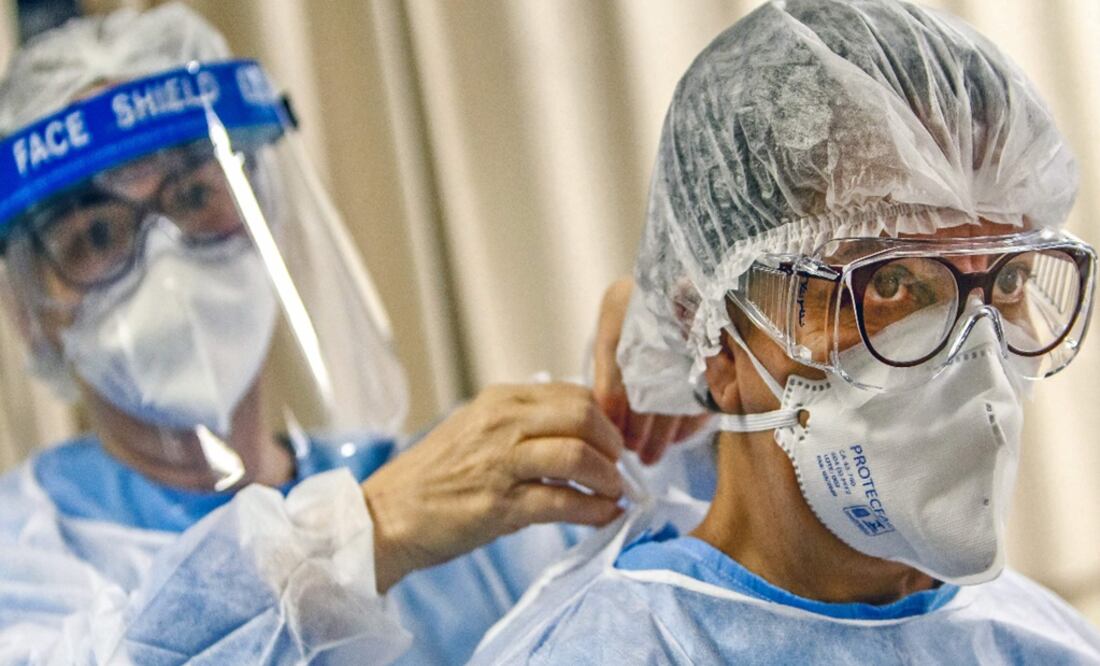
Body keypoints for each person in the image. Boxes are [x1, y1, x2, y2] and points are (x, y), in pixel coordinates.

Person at [0, 5, 690, 663]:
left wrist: (692, 375)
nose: (166, 260)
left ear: (265, 207)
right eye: (95, 236)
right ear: (28, 307)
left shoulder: (449, 493)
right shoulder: (25, 553)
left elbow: (699, 576)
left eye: (194, 197)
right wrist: (365, 535)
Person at [471, 1, 1100, 663]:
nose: (978, 355)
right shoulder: (613, 650)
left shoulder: (1041, 642)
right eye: (890, 284)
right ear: (713, 337)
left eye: (1007, 282)